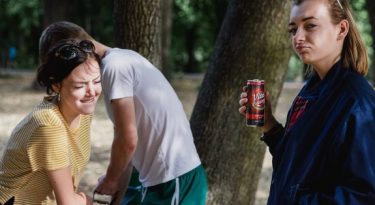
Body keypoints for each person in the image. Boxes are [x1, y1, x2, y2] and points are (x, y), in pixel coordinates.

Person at [39, 21, 208, 205]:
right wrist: (115, 186)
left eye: (62, 63)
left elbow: (127, 141)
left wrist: (111, 180)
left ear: (73, 49)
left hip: (173, 180)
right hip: (163, 179)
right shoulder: (121, 59)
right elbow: (127, 148)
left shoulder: (115, 68)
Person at [239, 0, 375, 204]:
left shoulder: (357, 102)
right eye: (293, 30)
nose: (298, 37)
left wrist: (295, 199)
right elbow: (300, 162)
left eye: (310, 25)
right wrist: (269, 125)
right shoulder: (312, 89)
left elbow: (365, 195)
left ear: (342, 29)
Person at [0, 39, 102, 204]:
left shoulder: (81, 111)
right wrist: (89, 201)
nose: (92, 91)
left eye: (96, 81)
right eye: (79, 86)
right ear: (56, 86)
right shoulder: (49, 125)